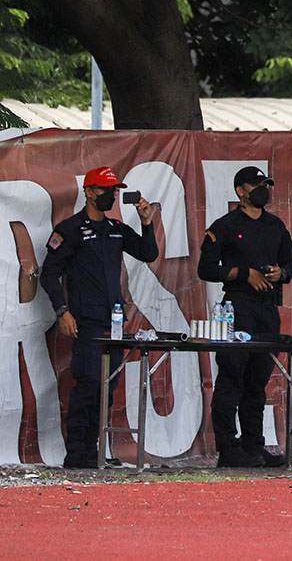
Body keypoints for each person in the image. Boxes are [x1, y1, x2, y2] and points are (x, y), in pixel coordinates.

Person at [40, 166, 158, 469]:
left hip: (115, 321)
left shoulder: (115, 227)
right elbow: (49, 274)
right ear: (89, 191)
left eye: (114, 190)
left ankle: (93, 449)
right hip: (86, 322)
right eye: (105, 190)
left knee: (107, 386)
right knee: (89, 383)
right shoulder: (69, 230)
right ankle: (77, 453)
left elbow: (148, 253)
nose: (111, 195)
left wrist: (147, 223)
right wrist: (62, 311)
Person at [198, 166, 292, 468]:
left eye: (266, 184)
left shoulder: (275, 225)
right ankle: (229, 448)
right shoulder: (225, 226)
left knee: (258, 380)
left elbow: (291, 263)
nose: (262, 190)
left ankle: (254, 445)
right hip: (237, 309)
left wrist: (283, 273)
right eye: (256, 185)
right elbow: (206, 269)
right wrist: (243, 273)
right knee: (232, 376)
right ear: (240, 191)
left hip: (267, 308)